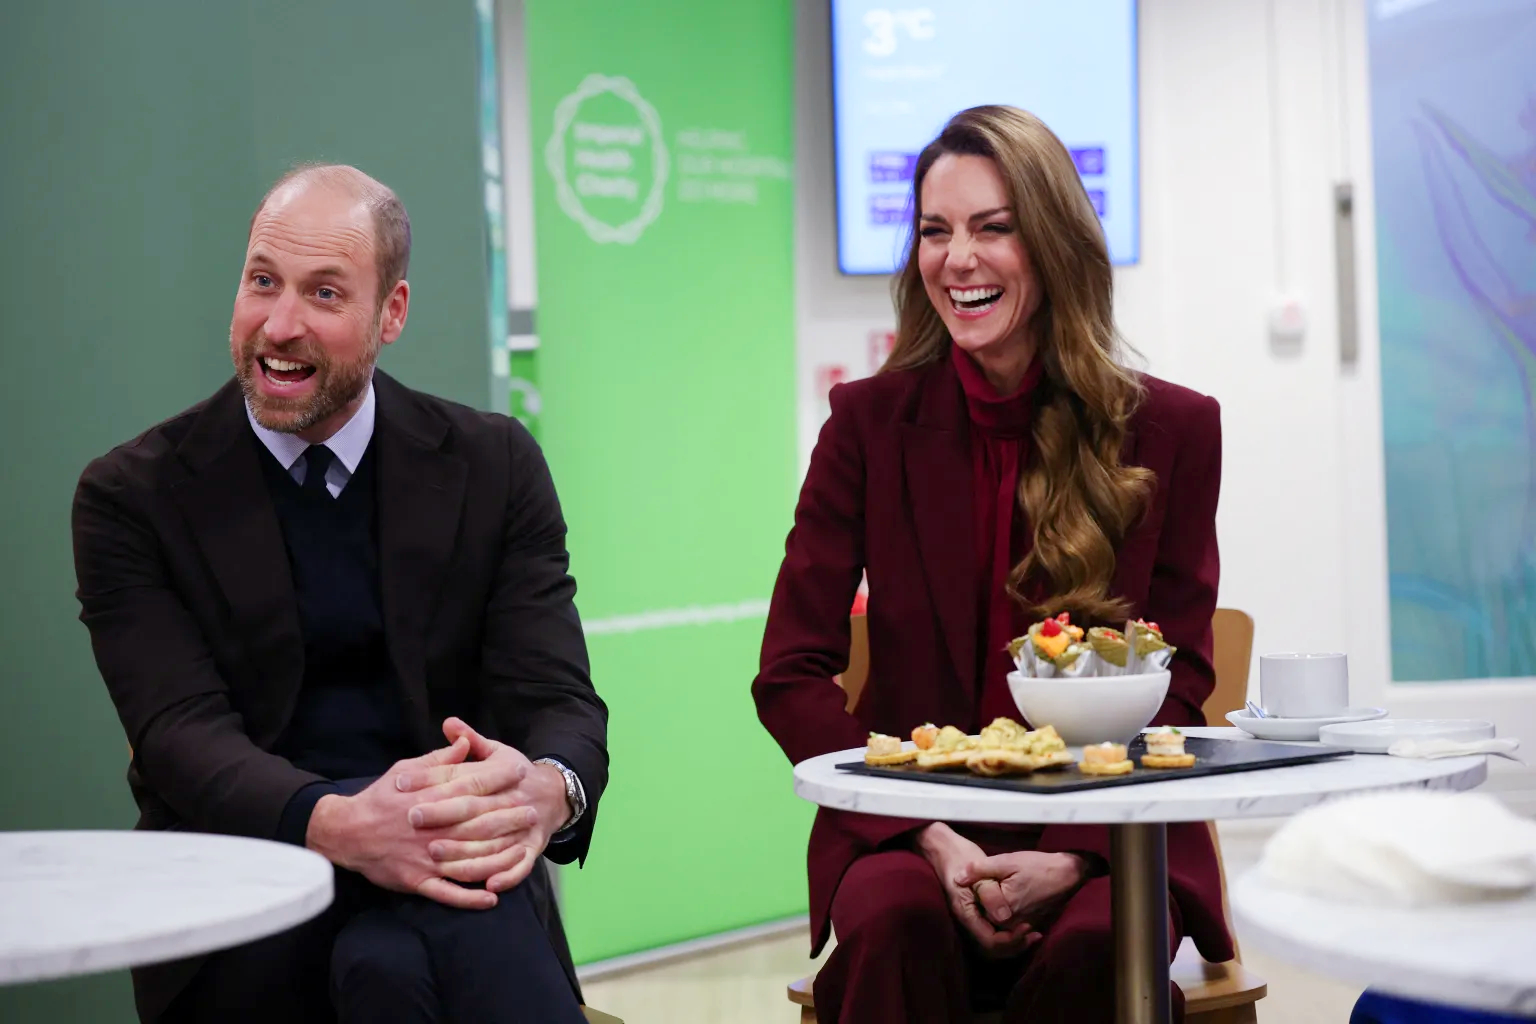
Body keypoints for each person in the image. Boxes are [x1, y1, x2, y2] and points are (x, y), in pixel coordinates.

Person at [72, 164, 607, 1024]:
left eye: (324, 293)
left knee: (407, 955)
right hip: (247, 886)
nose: (279, 326)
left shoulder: (494, 465)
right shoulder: (132, 496)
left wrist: (546, 791)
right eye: (261, 283)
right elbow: (179, 735)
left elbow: (560, 700)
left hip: (451, 875)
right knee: (389, 970)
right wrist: (339, 823)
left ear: (391, 313)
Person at [753, 106, 1230, 1023]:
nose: (956, 259)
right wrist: (923, 830)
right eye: (936, 231)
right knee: (894, 929)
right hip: (906, 825)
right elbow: (789, 673)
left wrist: (1074, 850)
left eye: (992, 228)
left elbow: (1182, 679)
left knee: (1101, 945)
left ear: (1051, 244)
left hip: (1109, 830)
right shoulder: (865, 424)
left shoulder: (1173, 428)